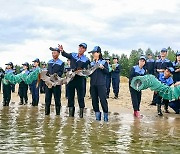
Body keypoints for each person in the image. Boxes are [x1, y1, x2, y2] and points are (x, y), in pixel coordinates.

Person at [59, 43, 90, 118]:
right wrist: (62, 50)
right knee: (70, 97)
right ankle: (71, 116)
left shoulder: (86, 59)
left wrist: (81, 70)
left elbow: (87, 70)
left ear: (85, 50)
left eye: (82, 48)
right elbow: (65, 54)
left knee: (80, 97)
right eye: (80, 47)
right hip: (71, 79)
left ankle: (81, 116)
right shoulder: (73, 55)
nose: (80, 49)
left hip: (80, 79)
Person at [89, 46, 109, 121]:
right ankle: (97, 117)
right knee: (94, 101)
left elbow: (107, 72)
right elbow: (89, 74)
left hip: (101, 84)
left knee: (103, 100)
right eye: (92, 53)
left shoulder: (103, 62)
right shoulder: (91, 63)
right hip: (93, 84)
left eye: (94, 52)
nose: (93, 54)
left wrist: (102, 67)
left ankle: (106, 118)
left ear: (99, 53)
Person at [45, 48, 64, 115]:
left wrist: (54, 76)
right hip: (49, 83)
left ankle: (58, 115)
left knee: (57, 99)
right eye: (52, 53)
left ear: (58, 53)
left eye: (55, 53)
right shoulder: (49, 62)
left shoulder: (61, 63)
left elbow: (61, 72)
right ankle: (46, 114)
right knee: (47, 99)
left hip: (56, 83)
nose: (53, 54)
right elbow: (47, 71)